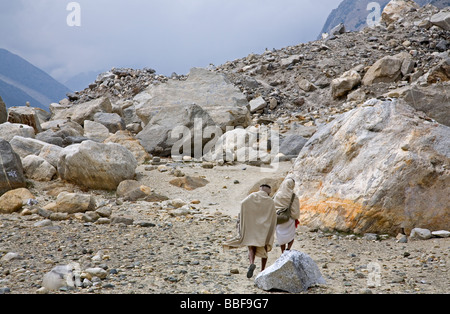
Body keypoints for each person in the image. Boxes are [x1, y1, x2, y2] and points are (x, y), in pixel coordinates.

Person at [223, 184, 277, 278]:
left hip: (252, 226)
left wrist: (245, 217)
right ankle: (262, 270)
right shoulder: (270, 201)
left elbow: (243, 203)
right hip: (263, 228)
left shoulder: (252, 196)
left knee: (251, 247)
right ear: (268, 191)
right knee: (264, 249)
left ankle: (251, 263)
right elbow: (273, 217)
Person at [273, 176, 300, 253]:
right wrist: (295, 217)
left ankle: (283, 251)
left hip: (279, 218)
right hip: (289, 219)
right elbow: (296, 208)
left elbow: (274, 206)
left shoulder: (278, 195)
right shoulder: (293, 196)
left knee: (281, 236)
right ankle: (288, 248)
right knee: (291, 235)